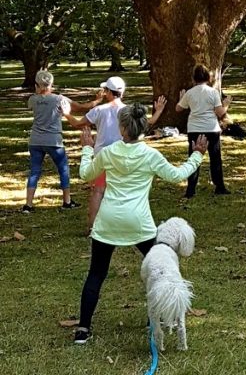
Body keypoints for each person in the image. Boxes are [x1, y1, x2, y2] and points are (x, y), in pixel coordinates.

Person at [73, 102, 207, 344]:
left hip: (109, 222)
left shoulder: (109, 152)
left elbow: (86, 174)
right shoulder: (150, 155)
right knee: (161, 268)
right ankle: (158, 316)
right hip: (140, 224)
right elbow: (177, 175)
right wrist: (197, 155)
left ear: (123, 128)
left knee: (96, 274)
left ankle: (83, 329)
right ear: (143, 128)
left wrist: (86, 149)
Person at [64, 77, 166, 233]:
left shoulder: (99, 110)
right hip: (123, 155)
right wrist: (158, 110)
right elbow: (149, 122)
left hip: (102, 156)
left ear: (107, 92)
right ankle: (123, 224)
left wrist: (66, 114)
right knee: (122, 191)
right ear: (122, 92)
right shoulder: (128, 111)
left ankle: (92, 226)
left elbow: (78, 124)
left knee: (98, 191)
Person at [23, 70, 79, 212]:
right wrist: (96, 102)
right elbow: (80, 106)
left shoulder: (32, 99)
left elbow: (32, 106)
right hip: (53, 141)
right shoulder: (59, 99)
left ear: (36, 85)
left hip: (35, 140)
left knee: (34, 171)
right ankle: (66, 201)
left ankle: (28, 205)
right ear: (51, 84)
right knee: (63, 169)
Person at [175, 64, 230, 198]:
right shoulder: (213, 92)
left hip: (194, 128)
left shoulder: (190, 93)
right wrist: (227, 104)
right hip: (211, 128)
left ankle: (191, 189)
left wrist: (181, 98)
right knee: (215, 158)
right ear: (208, 77)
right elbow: (219, 112)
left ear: (194, 78)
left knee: (194, 157)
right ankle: (219, 186)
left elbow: (178, 108)